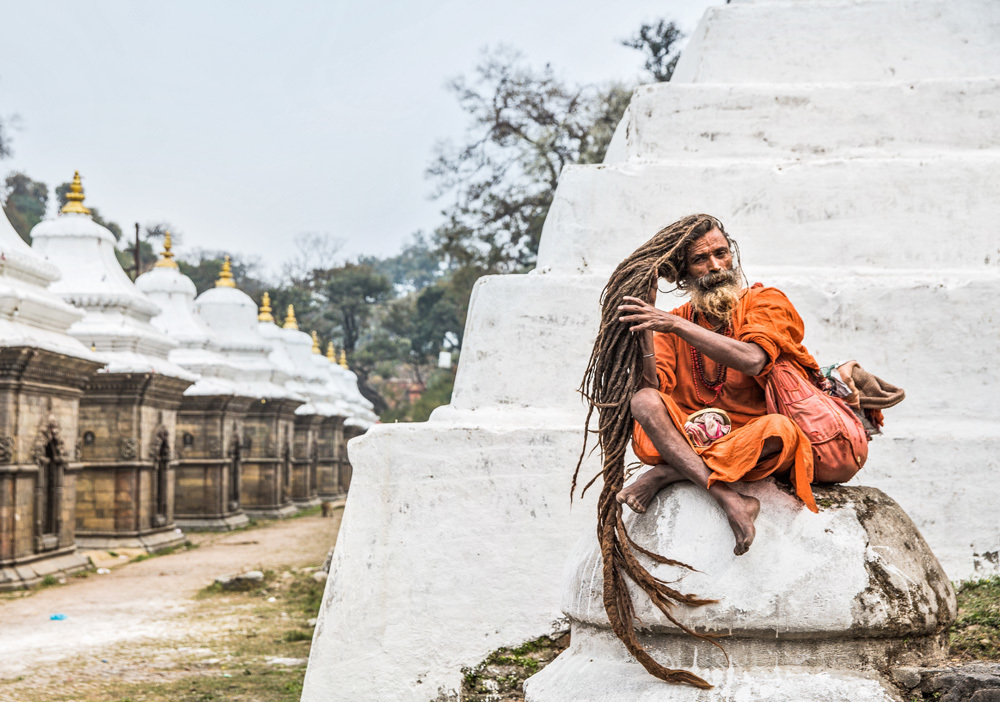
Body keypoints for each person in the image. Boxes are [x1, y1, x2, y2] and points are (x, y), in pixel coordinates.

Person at [615, 217, 821, 556]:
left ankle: (671, 472)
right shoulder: (671, 323)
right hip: (693, 437)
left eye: (721, 254)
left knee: (781, 431)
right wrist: (648, 327)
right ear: (682, 274)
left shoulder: (765, 301)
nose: (716, 266)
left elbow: (754, 359)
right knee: (644, 402)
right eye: (700, 259)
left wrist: (674, 324)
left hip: (752, 440)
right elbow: (651, 387)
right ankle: (728, 497)